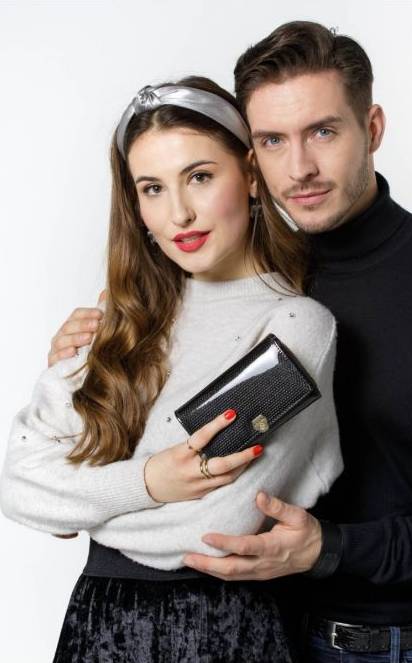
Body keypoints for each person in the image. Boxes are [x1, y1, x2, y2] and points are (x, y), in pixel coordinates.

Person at [49, 21, 412, 663]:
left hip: (398, 647)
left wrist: (329, 548)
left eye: (324, 132)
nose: (300, 168)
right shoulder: (231, 280)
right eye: (273, 140)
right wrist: (83, 380)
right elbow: (144, 472)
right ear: (250, 160)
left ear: (372, 129)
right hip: (250, 631)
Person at [0, 74, 343, 662]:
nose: (179, 212)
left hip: (220, 629)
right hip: (94, 626)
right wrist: (151, 481)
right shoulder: (117, 321)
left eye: (199, 177)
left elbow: (215, 528)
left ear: (251, 176)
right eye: (153, 188)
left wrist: (81, 500)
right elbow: (18, 484)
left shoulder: (295, 327)